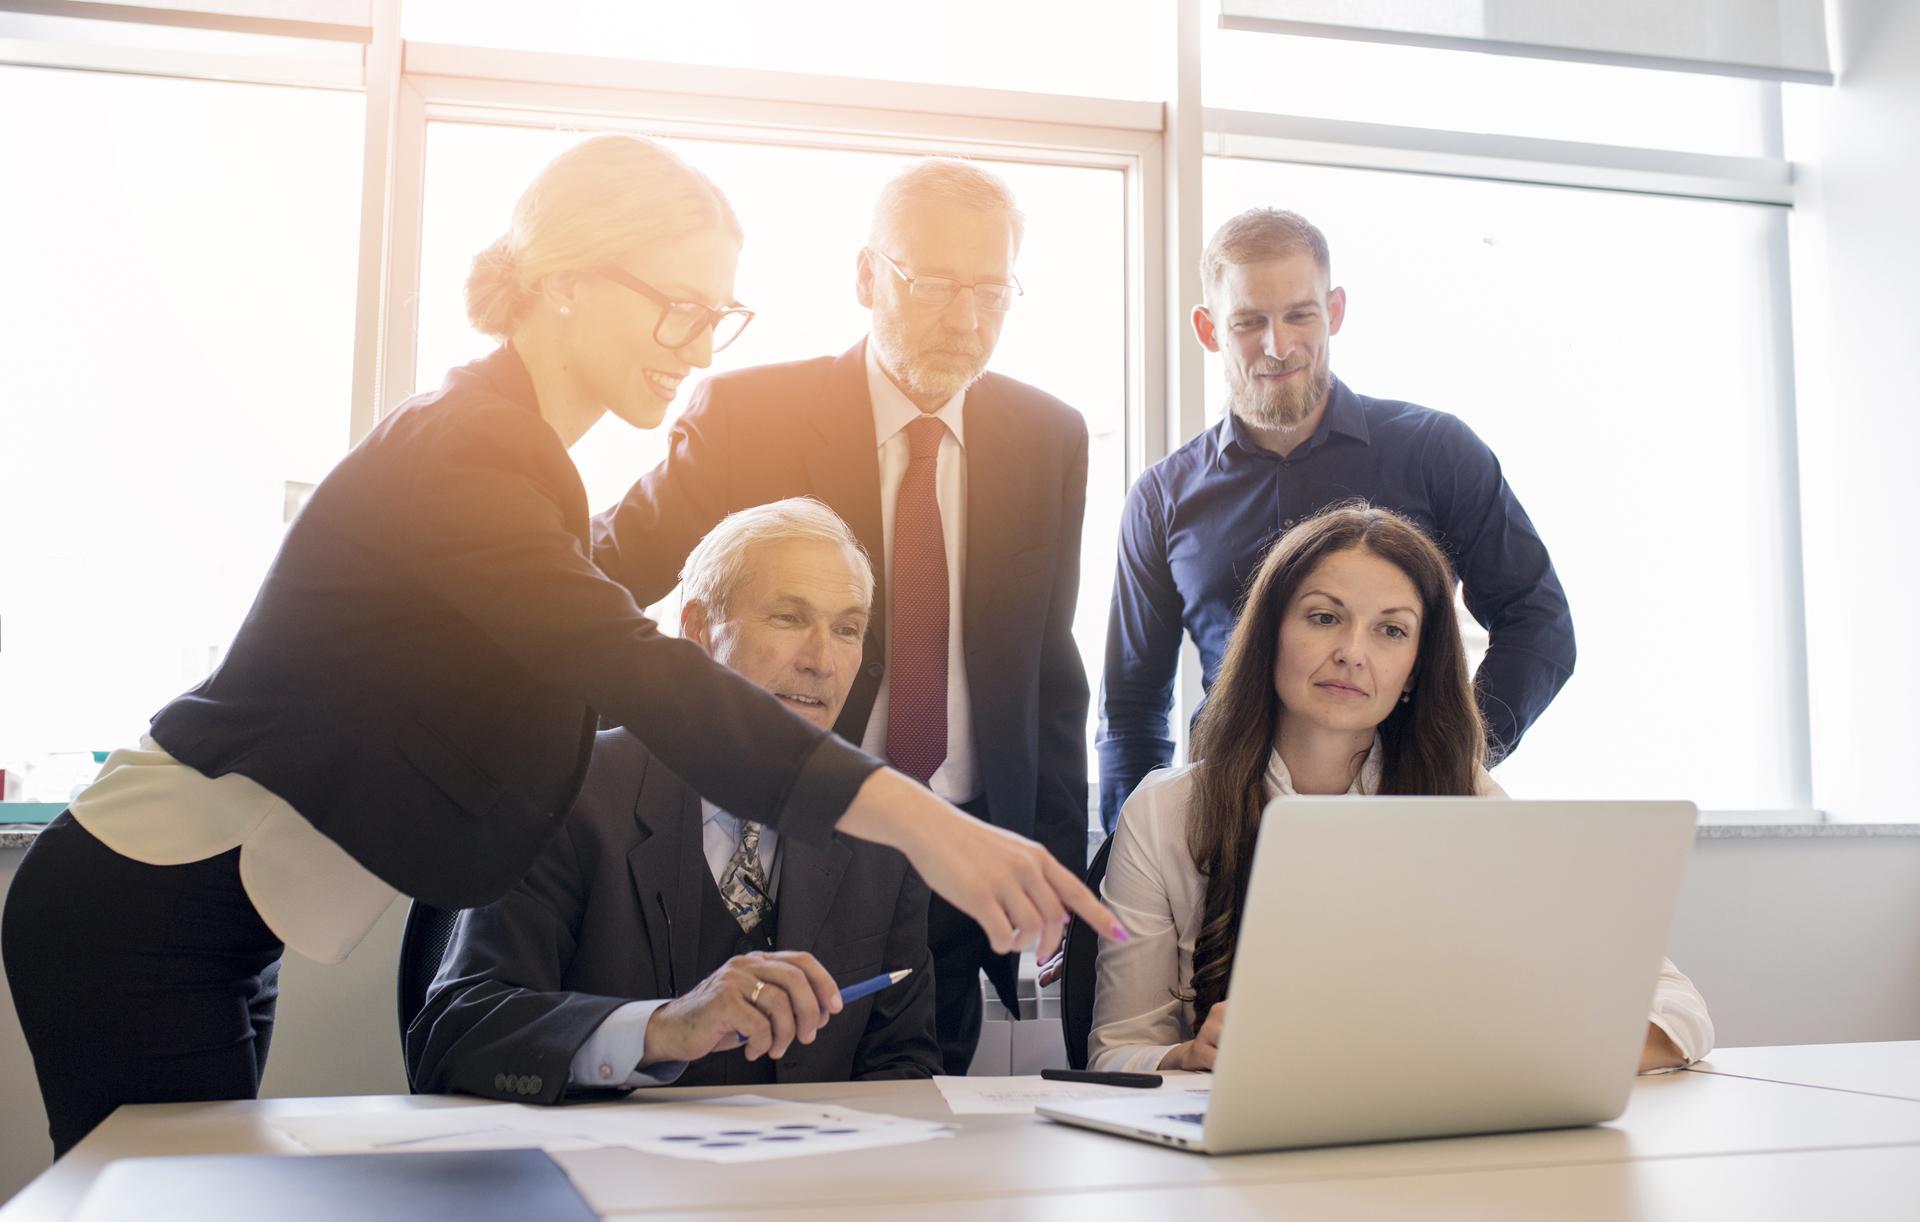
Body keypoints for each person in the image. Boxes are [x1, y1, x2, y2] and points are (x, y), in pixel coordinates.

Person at [2, 134, 1114, 1158]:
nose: (694, 343)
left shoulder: (519, 456)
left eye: (716, 313)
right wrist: (926, 824)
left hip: (223, 926)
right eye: (676, 305)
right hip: (140, 913)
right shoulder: (468, 454)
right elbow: (640, 667)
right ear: (565, 278)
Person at [592, 158, 1089, 1074]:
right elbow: (602, 580)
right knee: (753, 1092)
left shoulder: (1050, 437)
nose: (965, 320)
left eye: (990, 291)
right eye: (934, 284)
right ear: (867, 277)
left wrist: (1052, 863)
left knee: (918, 1111)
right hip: (795, 838)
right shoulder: (751, 414)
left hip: (964, 844)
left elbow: (1050, 679)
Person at [1088, 503, 1710, 1075]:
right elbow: (1115, 1053)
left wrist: (1514, 1057)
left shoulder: (1463, 801)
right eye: (1324, 617)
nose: (1352, 653)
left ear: (1416, 667)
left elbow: (1677, 1007)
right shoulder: (1165, 810)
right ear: (1270, 634)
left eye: (1391, 631)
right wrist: (1188, 1056)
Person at [407, 500, 940, 1099]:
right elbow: (454, 1038)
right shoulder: (569, 792)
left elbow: (903, 1065)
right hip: (607, 1181)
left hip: (806, 1183)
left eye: (847, 629)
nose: (822, 661)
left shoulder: (882, 826)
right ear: (696, 629)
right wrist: (659, 1029)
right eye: (789, 617)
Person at [1097, 207, 1575, 831]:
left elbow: (1538, 624)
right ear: (1209, 329)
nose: (1278, 345)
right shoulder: (1162, 496)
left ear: (1336, 311)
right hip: (1225, 826)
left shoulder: (1437, 451)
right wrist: (1133, 846)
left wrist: (1447, 758)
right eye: (1249, 322)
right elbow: (1132, 703)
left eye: (1301, 314)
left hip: (1407, 823)